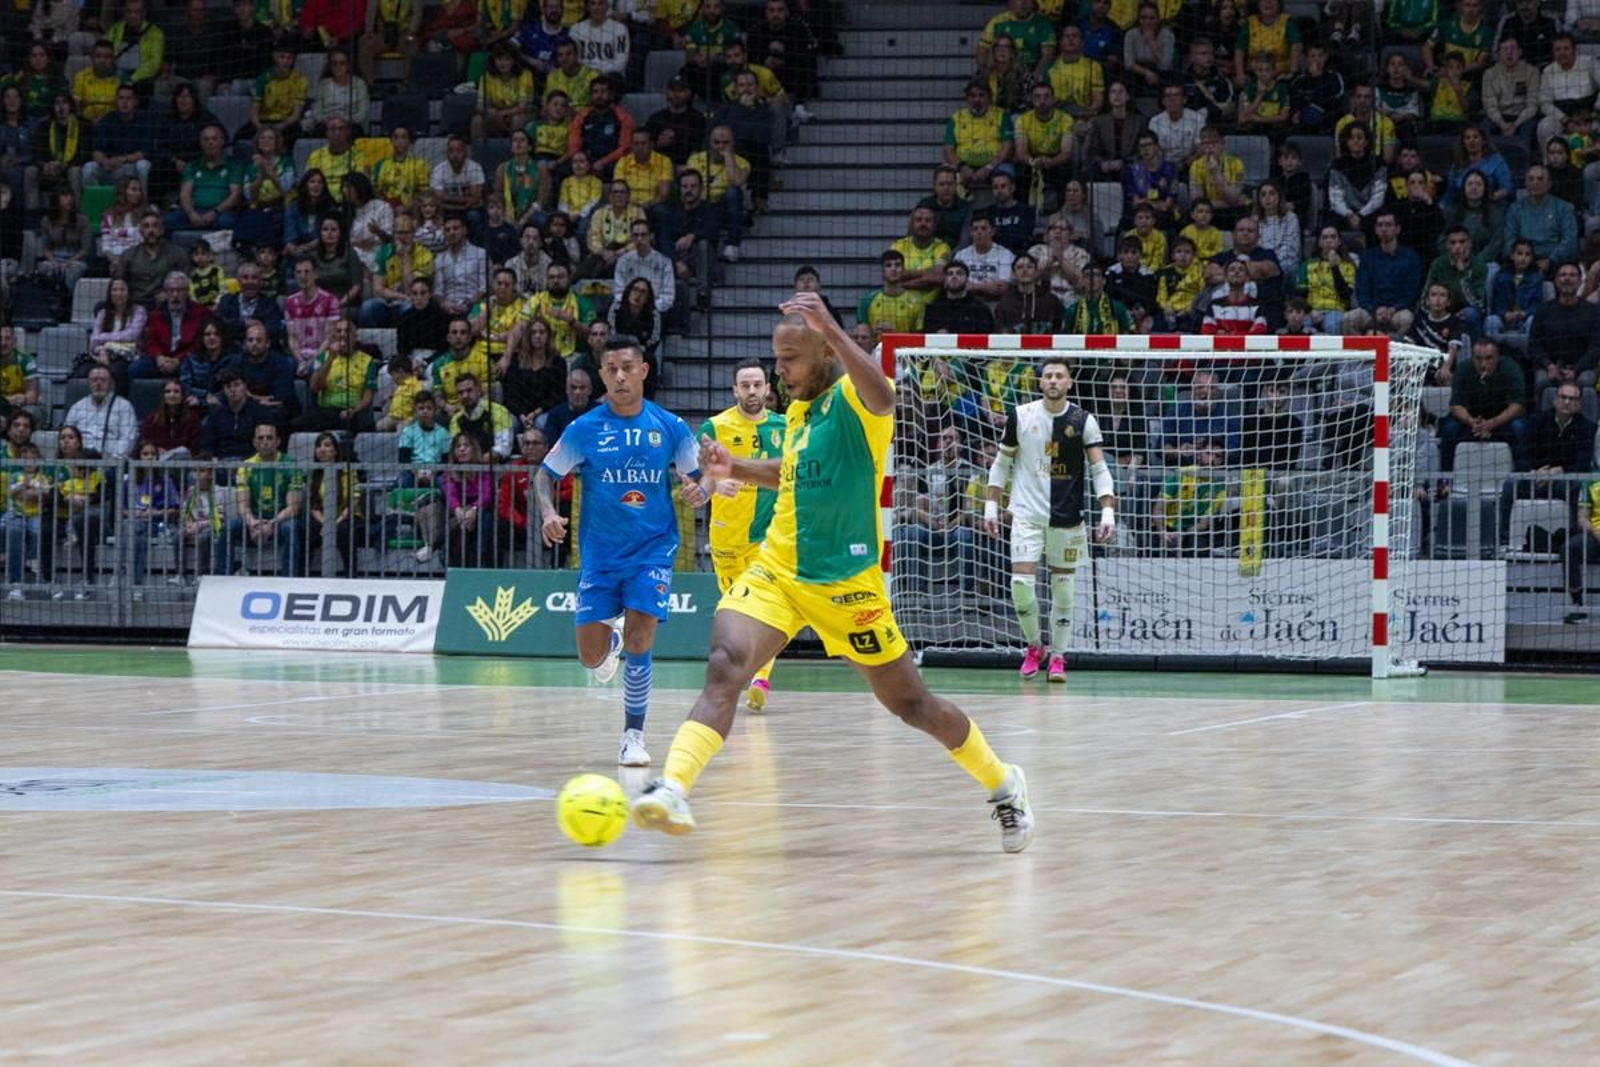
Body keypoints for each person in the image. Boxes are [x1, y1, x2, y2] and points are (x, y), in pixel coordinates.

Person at [630, 293, 1033, 851]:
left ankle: (1003, 782)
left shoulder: (851, 401)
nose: (779, 371)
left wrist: (837, 332)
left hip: (845, 583)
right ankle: (673, 788)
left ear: (824, 352)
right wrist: (737, 467)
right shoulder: (797, 413)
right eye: (776, 359)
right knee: (726, 663)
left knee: (912, 706)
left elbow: (885, 395)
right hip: (777, 569)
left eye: (790, 357)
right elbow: (791, 471)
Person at [534, 340, 706, 767]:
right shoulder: (583, 429)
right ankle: (609, 641)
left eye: (628, 367)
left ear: (644, 370)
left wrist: (702, 490)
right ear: (602, 374)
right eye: (611, 369)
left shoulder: (670, 427)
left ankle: (633, 735)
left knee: (641, 638)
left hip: (653, 549)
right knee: (591, 658)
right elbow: (544, 475)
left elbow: (703, 477)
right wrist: (548, 511)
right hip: (600, 556)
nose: (620, 376)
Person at [983, 357, 1114, 682]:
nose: (1053, 380)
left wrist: (1107, 509)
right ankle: (1033, 646)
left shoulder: (1083, 420)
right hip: (1027, 515)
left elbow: (1099, 469)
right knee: (1021, 586)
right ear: (1040, 382)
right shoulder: (1021, 416)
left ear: (1069, 383)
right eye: (1048, 376)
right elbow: (1001, 463)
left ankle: (1058, 657)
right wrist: (990, 505)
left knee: (1064, 592)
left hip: (1067, 519)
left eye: (1060, 376)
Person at [699, 359, 787, 711]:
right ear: (735, 390)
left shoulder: (786, 426)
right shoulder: (715, 426)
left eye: (757, 384)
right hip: (726, 537)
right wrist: (715, 484)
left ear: (768, 389)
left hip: (768, 539)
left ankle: (760, 678)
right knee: (737, 613)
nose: (752, 390)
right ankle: (750, 673)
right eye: (745, 385)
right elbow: (696, 470)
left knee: (765, 610)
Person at [217, 422, 305, 576]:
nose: (265, 442)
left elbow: (294, 507)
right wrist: (253, 523)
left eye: (270, 438)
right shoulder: (246, 466)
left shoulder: (291, 465)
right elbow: (242, 506)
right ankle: (222, 576)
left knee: (291, 528)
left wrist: (271, 523)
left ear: (278, 441)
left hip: (281, 520)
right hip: (255, 521)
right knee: (228, 526)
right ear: (255, 442)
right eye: (261, 438)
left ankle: (290, 580)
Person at [65, 365, 136, 459]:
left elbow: (128, 439)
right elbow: (66, 435)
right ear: (88, 383)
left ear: (111, 383)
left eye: (103, 380)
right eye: (94, 380)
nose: (98, 383)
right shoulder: (76, 408)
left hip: (112, 464)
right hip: (79, 462)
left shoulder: (124, 407)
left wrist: (111, 461)